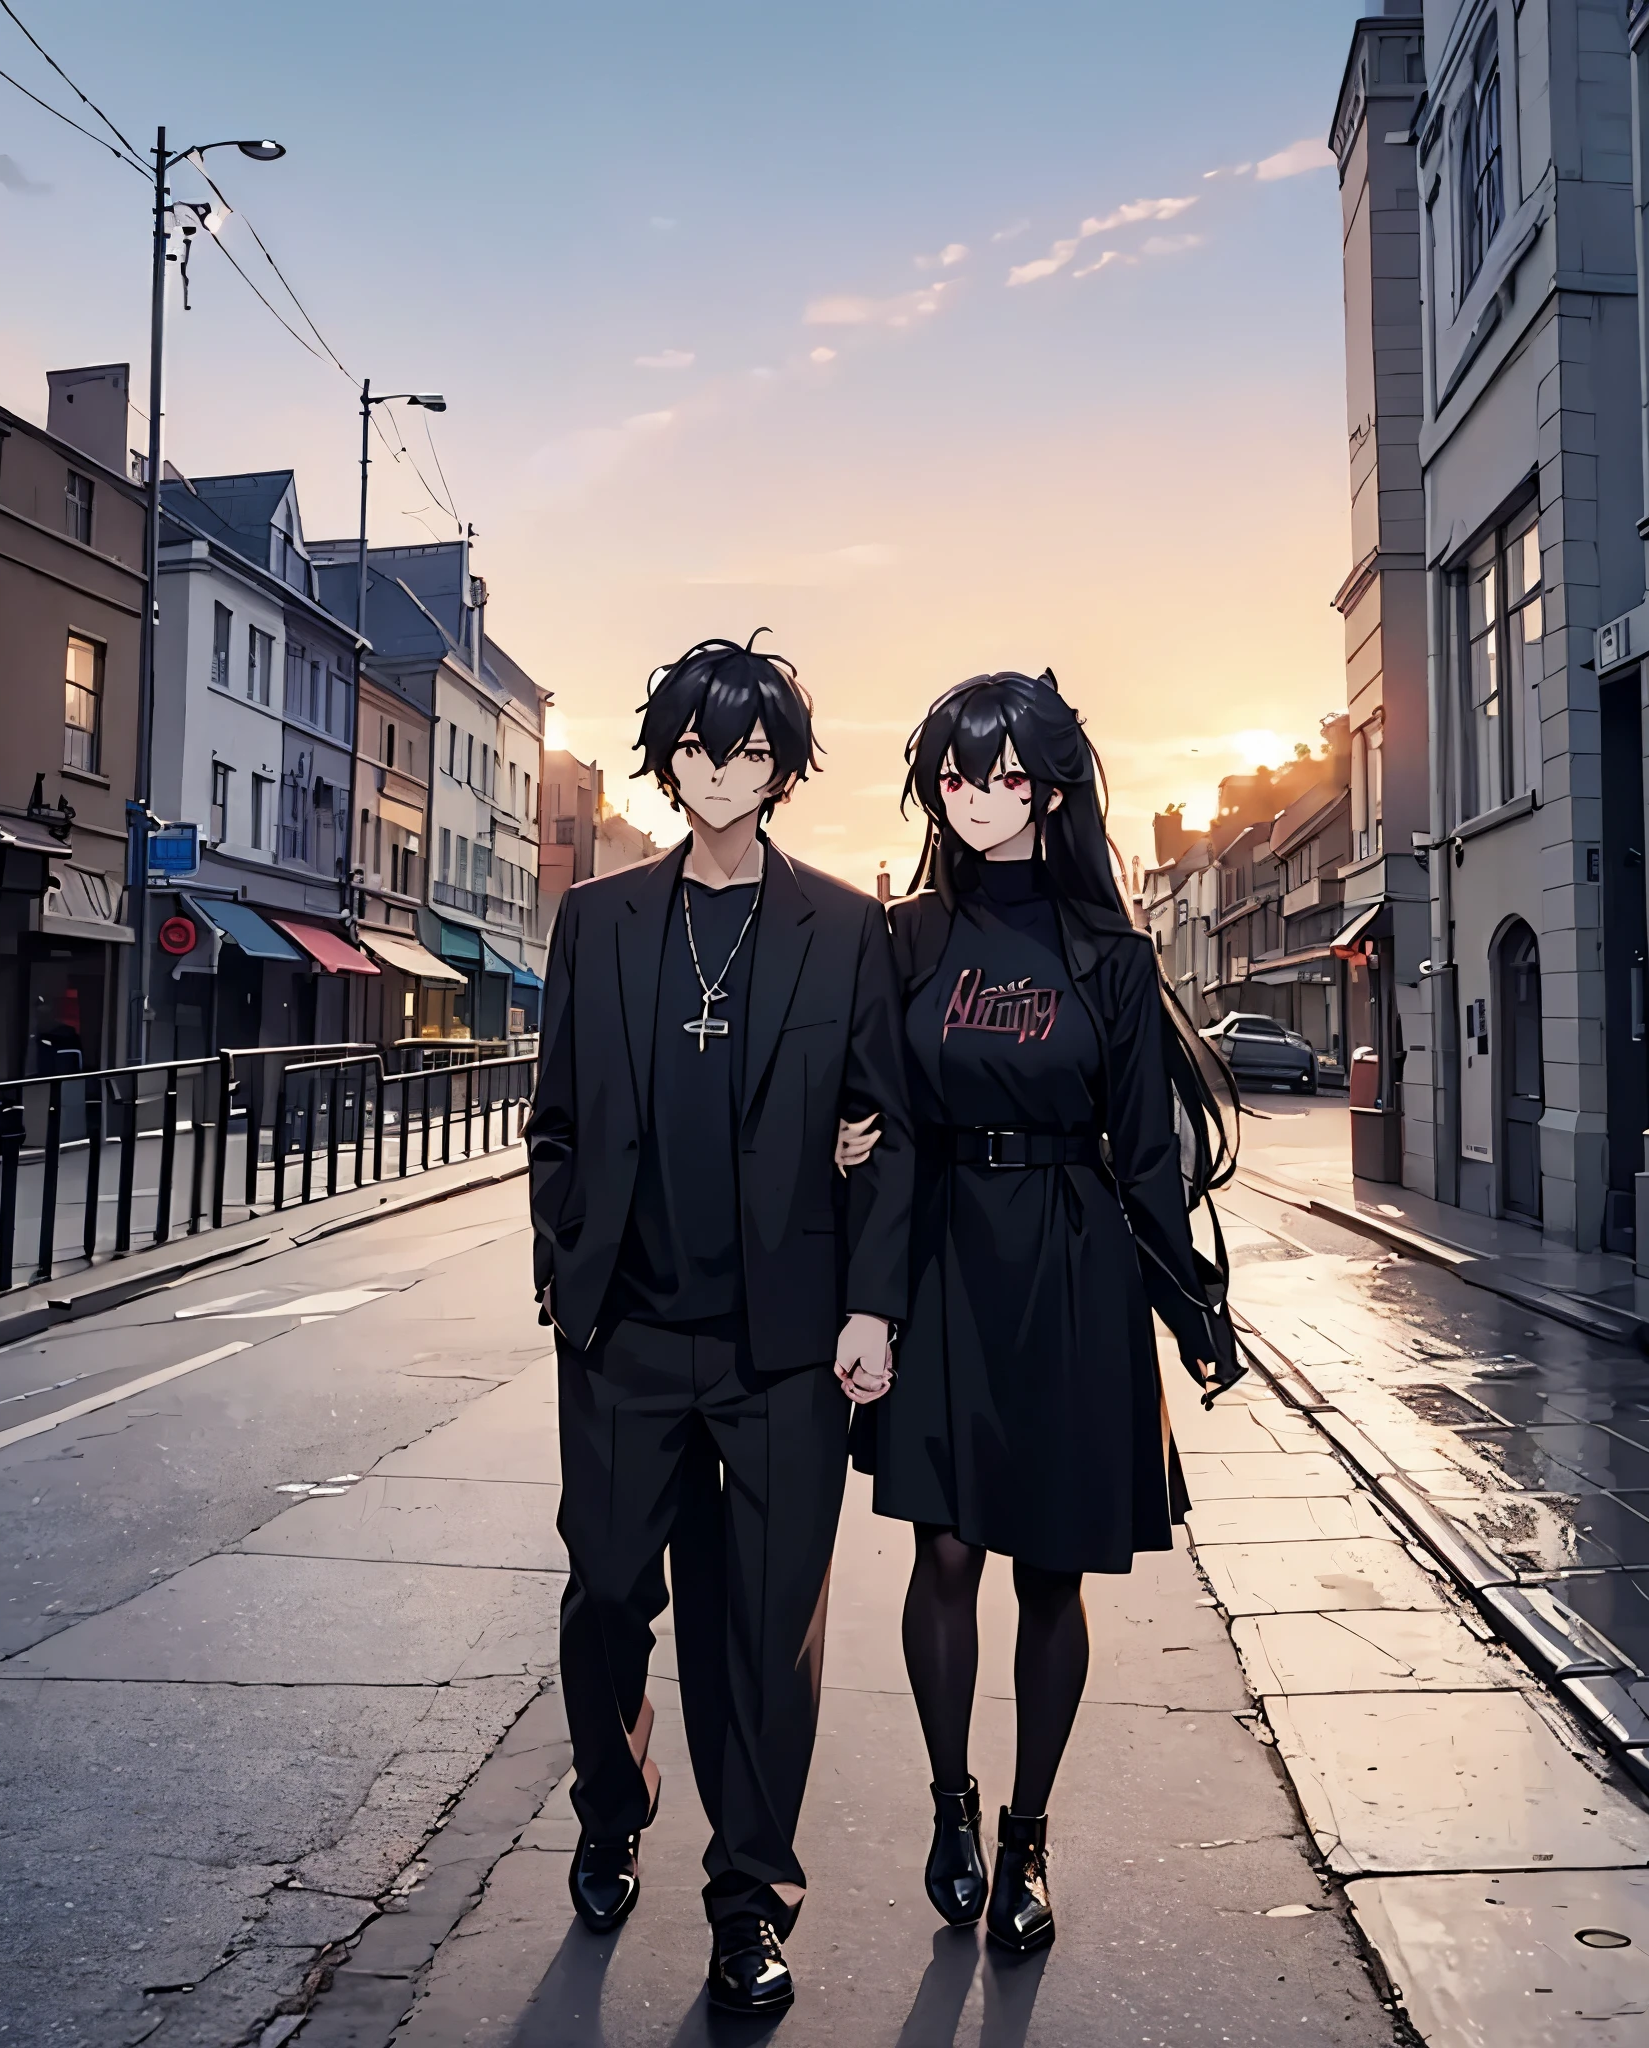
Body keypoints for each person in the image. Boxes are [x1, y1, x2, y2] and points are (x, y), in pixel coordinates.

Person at [525, 633, 912, 2015]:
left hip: (783, 1348)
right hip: (625, 1334)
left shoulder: (841, 926)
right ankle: (612, 1796)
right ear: (667, 754)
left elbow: (891, 1127)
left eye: (752, 751)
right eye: (699, 747)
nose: (724, 771)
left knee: (765, 1641)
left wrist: (870, 1303)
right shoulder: (601, 919)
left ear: (784, 767)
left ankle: (751, 1902)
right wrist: (564, 1270)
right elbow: (556, 1121)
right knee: (606, 1599)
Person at [848, 667, 1238, 1955]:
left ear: (1054, 787)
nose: (976, 798)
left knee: (1050, 1574)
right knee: (943, 1551)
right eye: (955, 776)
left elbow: (1146, 1152)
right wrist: (867, 1283)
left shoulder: (1111, 955)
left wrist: (1192, 1306)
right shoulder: (899, 940)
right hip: (947, 1260)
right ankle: (952, 1805)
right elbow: (886, 1124)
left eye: (1006, 775)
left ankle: (1029, 1837)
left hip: (1074, 1266)